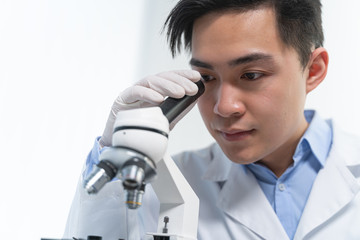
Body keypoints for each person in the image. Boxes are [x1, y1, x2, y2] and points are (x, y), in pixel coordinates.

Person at [64, 0, 360, 239]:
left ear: (313, 70)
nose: (224, 106)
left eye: (251, 75)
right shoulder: (166, 187)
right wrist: (116, 149)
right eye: (207, 78)